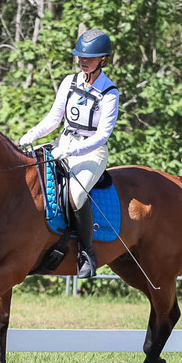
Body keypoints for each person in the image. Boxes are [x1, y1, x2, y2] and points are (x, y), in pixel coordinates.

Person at [19, 29, 120, 279]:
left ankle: (87, 253)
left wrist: (71, 149)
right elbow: (54, 118)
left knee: (75, 196)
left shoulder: (109, 93)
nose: (83, 61)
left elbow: (101, 136)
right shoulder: (70, 81)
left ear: (103, 60)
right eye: (80, 56)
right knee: (35, 178)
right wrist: (34, 132)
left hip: (91, 152)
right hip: (62, 143)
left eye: (90, 57)